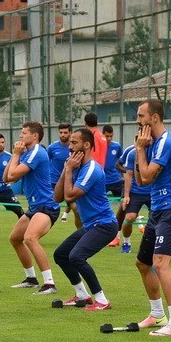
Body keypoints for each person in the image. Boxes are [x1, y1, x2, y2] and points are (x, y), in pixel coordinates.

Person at [133, 98, 171, 335]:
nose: (137, 120)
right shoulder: (151, 143)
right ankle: (157, 315)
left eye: (141, 116)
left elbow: (146, 177)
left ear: (154, 117)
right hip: (157, 209)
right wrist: (140, 149)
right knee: (143, 264)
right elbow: (140, 180)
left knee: (160, 264)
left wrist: (139, 149)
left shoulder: (166, 141)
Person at [52, 128, 120, 310]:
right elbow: (57, 198)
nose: (70, 147)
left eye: (74, 143)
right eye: (70, 143)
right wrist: (66, 170)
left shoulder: (91, 169)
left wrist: (69, 170)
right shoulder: (76, 167)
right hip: (91, 225)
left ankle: (102, 300)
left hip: (104, 225)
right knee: (60, 255)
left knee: (77, 257)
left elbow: (70, 196)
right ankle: (82, 295)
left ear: (87, 145)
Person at [5, 121, 61, 295]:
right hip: (35, 207)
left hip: (47, 206)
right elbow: (7, 178)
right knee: (15, 238)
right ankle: (31, 279)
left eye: (24, 133)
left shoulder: (37, 152)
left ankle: (49, 284)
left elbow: (12, 174)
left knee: (30, 238)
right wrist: (15, 155)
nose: (20, 136)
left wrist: (16, 155)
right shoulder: (27, 153)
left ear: (35, 136)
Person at [117, 144, 151, 254]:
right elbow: (128, 174)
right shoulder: (132, 153)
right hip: (135, 192)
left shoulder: (155, 152)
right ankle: (126, 243)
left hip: (153, 191)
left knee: (160, 219)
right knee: (129, 217)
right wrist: (126, 195)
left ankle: (166, 244)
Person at [47, 123, 80, 226]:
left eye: (65, 132)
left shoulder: (75, 147)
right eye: (61, 132)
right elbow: (45, 163)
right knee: (46, 209)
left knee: (77, 209)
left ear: (70, 133)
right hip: (54, 183)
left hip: (70, 183)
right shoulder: (52, 147)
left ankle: (81, 233)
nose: (62, 135)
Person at [102, 125, 125, 247]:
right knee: (100, 206)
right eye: (107, 136)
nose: (109, 138)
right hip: (102, 181)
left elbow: (121, 162)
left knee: (125, 204)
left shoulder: (117, 146)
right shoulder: (98, 146)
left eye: (111, 136)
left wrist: (122, 176)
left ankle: (140, 225)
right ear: (102, 135)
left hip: (116, 181)